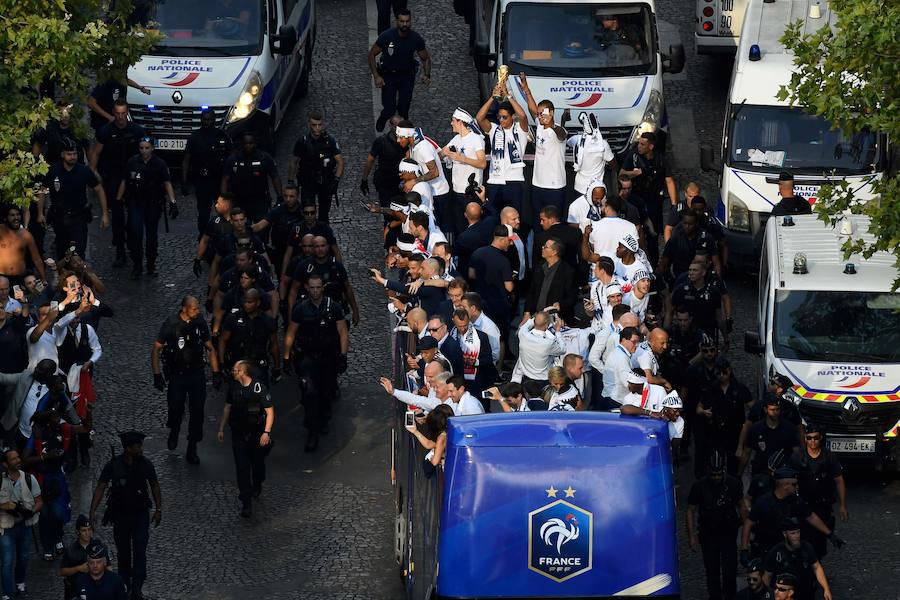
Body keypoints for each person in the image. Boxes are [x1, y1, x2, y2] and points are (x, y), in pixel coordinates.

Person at [88, 431, 161, 600]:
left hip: (140, 515)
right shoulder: (113, 465)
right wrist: (92, 511)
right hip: (120, 516)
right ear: (128, 448)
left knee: (140, 550)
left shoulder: (146, 464)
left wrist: (158, 510)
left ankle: (137, 587)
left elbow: (155, 485)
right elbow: (101, 487)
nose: (141, 449)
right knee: (123, 552)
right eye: (137, 446)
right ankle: (125, 585)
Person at [152, 296, 223, 464]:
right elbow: (156, 349)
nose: (198, 312)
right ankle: (174, 430)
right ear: (184, 308)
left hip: (196, 374)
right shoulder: (171, 324)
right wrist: (157, 374)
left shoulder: (199, 323)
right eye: (194, 309)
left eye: (198, 309)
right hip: (177, 375)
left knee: (197, 411)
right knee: (175, 408)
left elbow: (209, 347)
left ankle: (192, 447)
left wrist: (216, 372)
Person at [283, 273, 349, 452]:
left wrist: (343, 355)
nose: (315, 291)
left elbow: (342, 331)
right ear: (307, 288)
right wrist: (286, 356)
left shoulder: (333, 307)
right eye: (312, 287)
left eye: (318, 287)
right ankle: (313, 431)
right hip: (308, 357)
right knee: (310, 393)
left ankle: (324, 417)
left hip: (328, 357)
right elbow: (291, 332)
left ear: (323, 288)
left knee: (326, 391)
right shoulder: (301, 308)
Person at [741, 467, 843, 563]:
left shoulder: (796, 501)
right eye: (794, 484)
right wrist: (744, 550)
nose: (797, 487)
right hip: (768, 547)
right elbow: (748, 523)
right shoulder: (763, 502)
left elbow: (811, 516)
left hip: (789, 548)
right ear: (785, 486)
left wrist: (829, 534)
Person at [89, 99, 145, 267]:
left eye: (123, 114)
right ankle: (120, 251)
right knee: (118, 217)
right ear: (113, 113)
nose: (120, 117)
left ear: (127, 113)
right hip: (113, 178)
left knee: (134, 217)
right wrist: (93, 172)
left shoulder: (137, 131)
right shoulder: (106, 131)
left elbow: (146, 153)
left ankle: (133, 246)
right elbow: (96, 153)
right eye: (118, 114)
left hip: (133, 179)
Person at [217, 361, 274, 518]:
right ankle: (246, 502)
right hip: (239, 434)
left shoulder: (258, 387)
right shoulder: (233, 388)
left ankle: (257, 482)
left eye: (234, 370)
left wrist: (266, 433)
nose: (232, 372)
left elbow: (269, 411)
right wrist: (221, 428)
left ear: (242, 372)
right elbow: (227, 408)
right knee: (242, 467)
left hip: (256, 434)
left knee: (257, 465)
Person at [117, 136, 178, 279]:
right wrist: (118, 200)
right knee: (135, 235)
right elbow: (125, 181)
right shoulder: (132, 162)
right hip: (136, 203)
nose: (144, 151)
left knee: (151, 236)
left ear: (152, 148)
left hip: (153, 204)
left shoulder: (159, 164)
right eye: (141, 148)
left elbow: (167, 183)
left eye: (147, 148)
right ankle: (137, 266)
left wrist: (173, 202)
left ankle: (151, 264)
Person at [687, 452, 744, 600]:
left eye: (719, 475)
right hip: (708, 534)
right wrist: (692, 536)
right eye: (714, 475)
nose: (717, 478)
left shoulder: (733, 484)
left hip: (728, 532)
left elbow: (742, 506)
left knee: (730, 570)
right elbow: (690, 510)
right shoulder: (699, 486)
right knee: (712, 571)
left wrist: (746, 534)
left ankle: (730, 596)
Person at [789, 423, 848, 560]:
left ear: (820, 438)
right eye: (809, 438)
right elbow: (790, 480)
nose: (812, 441)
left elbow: (839, 480)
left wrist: (843, 505)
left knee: (820, 542)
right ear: (805, 438)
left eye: (815, 438)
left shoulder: (829, 457)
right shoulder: (797, 457)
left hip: (823, 505)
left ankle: (816, 567)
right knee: (805, 539)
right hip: (804, 504)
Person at [44, 140, 110, 259]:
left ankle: (79, 277)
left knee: (78, 255)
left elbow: (99, 189)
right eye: (69, 154)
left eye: (74, 154)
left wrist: (105, 214)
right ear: (62, 154)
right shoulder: (53, 171)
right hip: (59, 217)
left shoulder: (84, 171)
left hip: (78, 217)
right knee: (62, 254)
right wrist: (40, 213)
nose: (72, 157)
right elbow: (42, 190)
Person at [619, 131, 677, 265]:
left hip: (654, 200)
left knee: (653, 235)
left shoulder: (660, 159)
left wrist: (674, 205)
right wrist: (639, 172)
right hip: (636, 198)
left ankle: (654, 263)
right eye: (639, 143)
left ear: (650, 147)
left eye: (642, 144)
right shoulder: (633, 155)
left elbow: (668, 180)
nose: (639, 146)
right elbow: (622, 174)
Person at [369, 9, 431, 131]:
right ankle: (383, 118)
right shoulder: (387, 36)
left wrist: (427, 74)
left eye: (407, 21)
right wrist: (376, 76)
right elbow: (371, 54)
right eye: (402, 21)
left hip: (406, 77)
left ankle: (402, 135)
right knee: (389, 108)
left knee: (403, 109)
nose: (404, 24)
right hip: (389, 76)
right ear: (397, 21)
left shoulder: (415, 38)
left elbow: (426, 58)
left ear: (411, 21)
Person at [519, 73, 568, 219]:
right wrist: (526, 89)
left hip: (555, 186)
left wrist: (551, 124)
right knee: (538, 220)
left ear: (551, 113)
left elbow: (562, 135)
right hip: (537, 184)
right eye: (539, 114)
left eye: (543, 114)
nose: (540, 116)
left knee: (554, 222)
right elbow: (533, 109)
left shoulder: (558, 129)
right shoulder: (540, 125)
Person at [695, 356, 751, 477]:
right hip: (716, 433)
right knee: (715, 464)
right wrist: (704, 412)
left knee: (733, 467)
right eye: (718, 373)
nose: (721, 375)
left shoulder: (740, 388)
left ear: (729, 371)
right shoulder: (711, 388)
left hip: (735, 433)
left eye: (723, 372)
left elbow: (753, 407)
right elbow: (699, 408)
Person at [475, 88, 529, 214]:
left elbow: (523, 116)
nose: (501, 120)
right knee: (492, 217)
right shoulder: (494, 129)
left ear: (512, 117)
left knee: (514, 219)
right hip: (495, 181)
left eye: (505, 117)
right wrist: (493, 97)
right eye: (499, 117)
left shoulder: (520, 131)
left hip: (514, 182)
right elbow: (479, 118)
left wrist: (509, 96)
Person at [182, 109, 233, 235]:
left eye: (209, 119)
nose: (207, 122)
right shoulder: (195, 137)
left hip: (218, 180)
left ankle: (224, 235)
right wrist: (184, 181)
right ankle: (203, 236)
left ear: (214, 120)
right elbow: (186, 159)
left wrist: (230, 179)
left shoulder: (222, 135)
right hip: (201, 181)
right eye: (204, 119)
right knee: (203, 212)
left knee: (222, 210)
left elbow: (231, 157)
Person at [289, 110, 344, 224]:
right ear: (309, 125)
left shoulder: (329, 141)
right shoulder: (302, 142)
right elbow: (294, 162)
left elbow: (340, 162)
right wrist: (290, 182)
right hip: (308, 182)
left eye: (319, 125)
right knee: (308, 212)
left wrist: (336, 180)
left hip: (325, 182)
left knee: (324, 214)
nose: (317, 128)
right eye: (314, 125)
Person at [0, 448, 42, 598]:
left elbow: (38, 501)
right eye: (13, 459)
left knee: (23, 557)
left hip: (25, 525)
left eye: (18, 457)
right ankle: (7, 593)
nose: (18, 460)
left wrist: (31, 511)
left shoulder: (29, 478)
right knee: (7, 561)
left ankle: (20, 583)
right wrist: (9, 506)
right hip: (6, 527)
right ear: (5, 464)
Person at [219, 289, 280, 385]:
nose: (246, 304)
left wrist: (277, 367)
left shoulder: (267, 321)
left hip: (259, 362)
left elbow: (274, 344)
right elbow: (223, 340)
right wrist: (222, 364)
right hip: (238, 362)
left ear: (258, 302)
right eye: (245, 301)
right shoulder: (233, 318)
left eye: (249, 302)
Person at [763, 518, 832, 600]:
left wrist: (826, 588)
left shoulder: (806, 547)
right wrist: (765, 595)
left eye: (798, 532)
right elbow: (767, 576)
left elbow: (816, 567)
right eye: (793, 533)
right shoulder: (776, 552)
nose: (796, 536)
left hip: (805, 593)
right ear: (785, 534)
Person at [220, 132, 283, 223]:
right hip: (240, 201)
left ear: (255, 143)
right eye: (245, 143)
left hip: (260, 201)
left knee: (262, 229)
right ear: (242, 144)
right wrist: (224, 198)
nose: (248, 146)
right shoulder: (233, 159)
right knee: (242, 230)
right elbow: (225, 179)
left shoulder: (264, 158)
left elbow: (275, 176)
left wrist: (280, 196)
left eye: (251, 143)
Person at [738, 396, 798, 477]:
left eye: (777, 409)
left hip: (781, 473)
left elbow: (796, 451)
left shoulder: (789, 428)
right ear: (765, 410)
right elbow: (746, 452)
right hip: (761, 472)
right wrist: (739, 475)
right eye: (772, 410)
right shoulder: (756, 428)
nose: (775, 412)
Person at [468, 226, 513, 332]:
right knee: (500, 336)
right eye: (509, 240)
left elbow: (471, 275)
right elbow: (509, 287)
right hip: (499, 306)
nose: (511, 244)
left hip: (480, 303)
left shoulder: (477, 253)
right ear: (502, 239)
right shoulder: (504, 260)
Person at [523, 239, 576, 323]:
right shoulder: (539, 266)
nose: (542, 248)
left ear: (554, 252)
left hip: (554, 319)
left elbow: (572, 297)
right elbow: (531, 291)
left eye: (545, 247)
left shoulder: (568, 271)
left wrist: (560, 304)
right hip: (535, 316)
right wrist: (527, 312)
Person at [514, 311, 567, 398]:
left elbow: (528, 323)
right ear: (547, 325)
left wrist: (540, 315)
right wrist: (557, 332)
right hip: (544, 382)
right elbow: (563, 349)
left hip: (526, 380)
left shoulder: (522, 334)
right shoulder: (548, 343)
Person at [361, 116, 406, 216]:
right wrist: (364, 180)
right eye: (397, 127)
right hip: (386, 184)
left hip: (403, 184)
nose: (399, 131)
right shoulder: (381, 142)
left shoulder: (407, 142)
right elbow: (370, 161)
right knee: (388, 213)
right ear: (390, 126)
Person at [568, 112, 616, 195]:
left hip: (579, 186)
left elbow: (569, 142)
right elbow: (613, 164)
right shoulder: (602, 144)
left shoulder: (577, 140)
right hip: (595, 189)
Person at [59, 515, 101, 600]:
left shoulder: (98, 547)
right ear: (77, 532)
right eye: (84, 530)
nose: (87, 533)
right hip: (75, 589)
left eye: (89, 530)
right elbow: (62, 571)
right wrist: (78, 568)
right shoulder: (71, 550)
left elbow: (108, 568)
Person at [0, 205, 45, 285]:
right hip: (2, 277)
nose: (16, 218)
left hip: (20, 276)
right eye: (12, 215)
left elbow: (36, 259)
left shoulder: (26, 235)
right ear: (6, 218)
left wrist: (43, 278)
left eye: (18, 214)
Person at [600, 326, 641, 408]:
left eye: (638, 342)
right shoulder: (621, 357)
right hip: (615, 401)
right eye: (634, 342)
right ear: (624, 340)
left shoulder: (618, 353)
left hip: (611, 398)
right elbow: (629, 384)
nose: (636, 345)